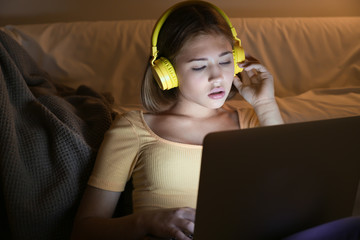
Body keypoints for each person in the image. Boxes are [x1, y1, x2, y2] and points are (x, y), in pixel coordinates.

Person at [71, 1, 360, 240]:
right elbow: (84, 229)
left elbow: (297, 196)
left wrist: (265, 104)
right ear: (166, 73)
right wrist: (146, 222)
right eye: (199, 66)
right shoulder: (133, 128)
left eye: (225, 61)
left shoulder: (250, 120)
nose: (218, 77)